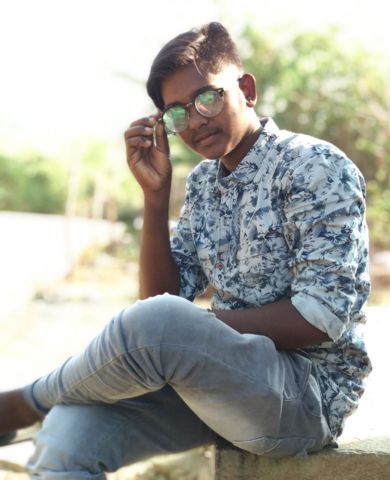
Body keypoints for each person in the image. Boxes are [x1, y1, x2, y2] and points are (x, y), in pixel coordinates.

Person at [0, 21, 371, 478]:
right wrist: (155, 198)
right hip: (217, 382)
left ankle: (27, 402)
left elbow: (319, 317)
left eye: (206, 98)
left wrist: (190, 332)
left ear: (246, 90)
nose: (194, 121)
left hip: (305, 396)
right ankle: (42, 409)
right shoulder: (203, 183)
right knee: (68, 434)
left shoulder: (315, 166)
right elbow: (162, 301)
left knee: (162, 324)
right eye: (176, 113)